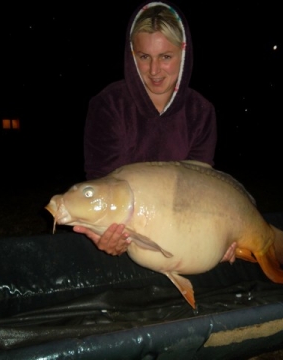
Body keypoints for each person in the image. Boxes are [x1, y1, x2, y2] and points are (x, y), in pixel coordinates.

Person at [73, 1, 235, 263]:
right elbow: (102, 188)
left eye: (166, 57)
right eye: (144, 57)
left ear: (184, 54)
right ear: (131, 54)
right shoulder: (108, 105)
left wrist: (219, 238)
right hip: (127, 236)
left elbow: (201, 190)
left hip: (179, 229)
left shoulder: (201, 112)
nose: (154, 71)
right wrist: (103, 234)